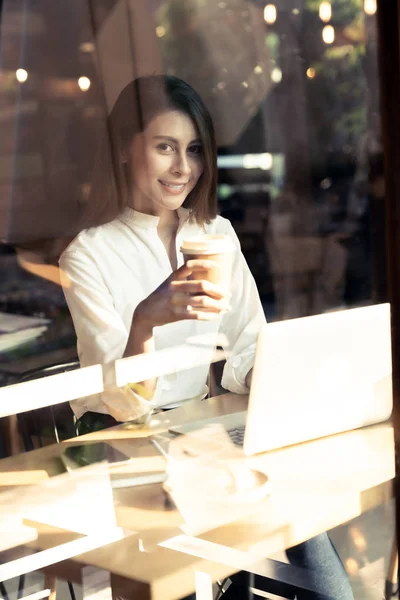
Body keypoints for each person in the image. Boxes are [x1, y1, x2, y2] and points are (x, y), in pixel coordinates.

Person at [59, 75, 354, 599]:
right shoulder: (87, 254)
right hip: (120, 448)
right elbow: (120, 404)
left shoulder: (214, 234)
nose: (183, 169)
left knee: (325, 572)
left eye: (194, 150)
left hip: (200, 437)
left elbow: (245, 348)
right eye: (165, 147)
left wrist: (284, 372)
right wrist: (145, 322)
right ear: (124, 150)